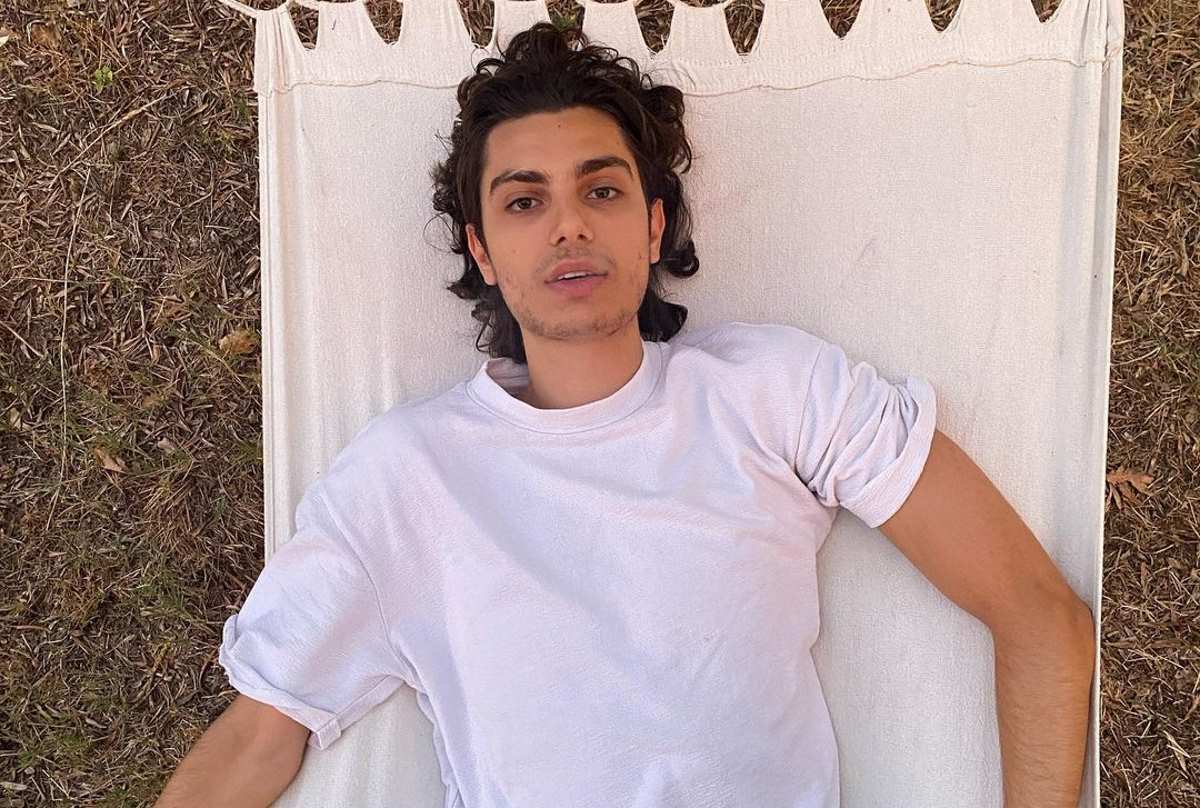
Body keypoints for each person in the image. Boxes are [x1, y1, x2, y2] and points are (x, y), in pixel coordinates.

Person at [156, 21, 1093, 808]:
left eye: (600, 190)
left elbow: (1038, 614)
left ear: (651, 225)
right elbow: (259, 735)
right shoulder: (403, 479)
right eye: (525, 202)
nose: (568, 225)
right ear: (483, 251)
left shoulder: (773, 392)